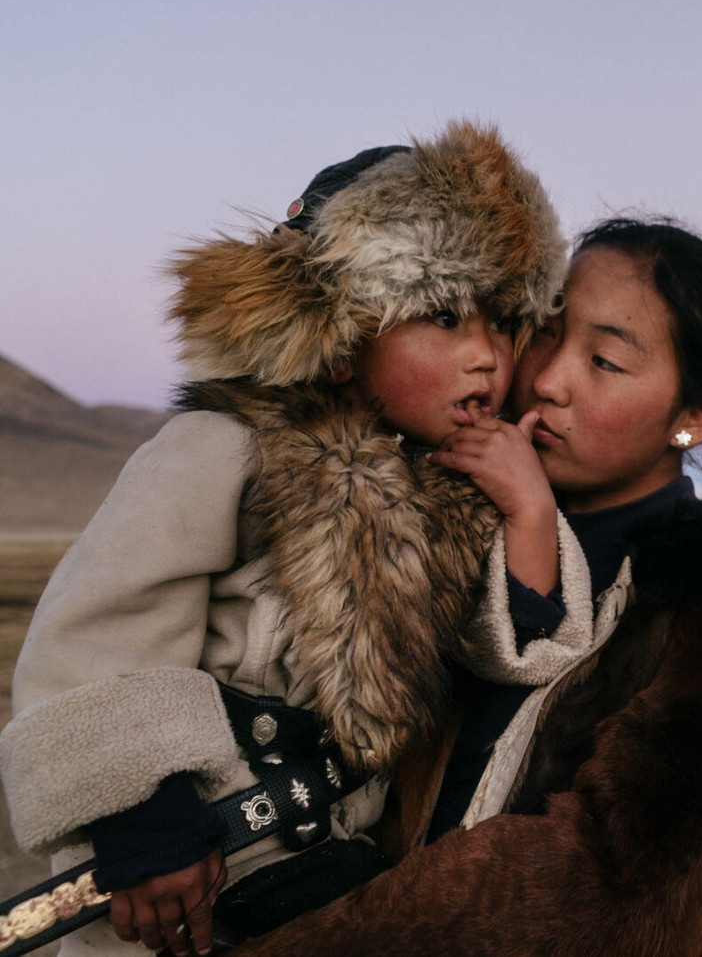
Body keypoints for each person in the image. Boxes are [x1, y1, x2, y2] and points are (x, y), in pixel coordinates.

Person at [0, 122, 566, 956]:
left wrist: (530, 515)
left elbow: (505, 655)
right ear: (342, 342)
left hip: (329, 866)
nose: (485, 355)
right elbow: (93, 635)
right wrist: (147, 823)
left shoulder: (451, 496)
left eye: (502, 321)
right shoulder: (225, 448)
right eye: (442, 317)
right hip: (187, 869)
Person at [230, 219, 702, 957]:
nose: (548, 379)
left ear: (694, 416)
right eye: (545, 332)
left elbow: (619, 895)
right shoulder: (427, 512)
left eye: (606, 361)